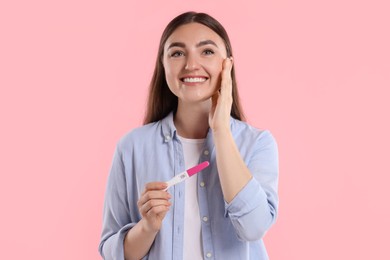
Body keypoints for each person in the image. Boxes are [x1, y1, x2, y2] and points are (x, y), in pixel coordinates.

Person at [99, 11, 279, 260]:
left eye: (206, 51)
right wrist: (147, 227)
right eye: (177, 53)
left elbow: (254, 227)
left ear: (227, 64)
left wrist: (221, 131)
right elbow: (112, 252)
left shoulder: (257, 144)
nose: (191, 64)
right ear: (163, 65)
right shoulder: (132, 147)